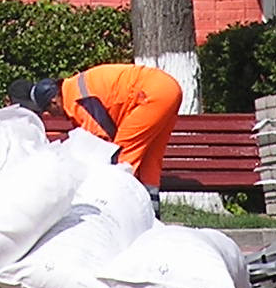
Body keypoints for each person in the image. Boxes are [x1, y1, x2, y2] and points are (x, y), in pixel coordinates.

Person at [11, 63, 183, 194]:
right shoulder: (73, 88)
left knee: (121, 159)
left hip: (150, 95)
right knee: (150, 159)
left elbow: (103, 144)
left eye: (49, 110)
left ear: (54, 101)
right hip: (168, 88)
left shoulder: (80, 103)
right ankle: (153, 214)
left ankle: (119, 210)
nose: (52, 115)